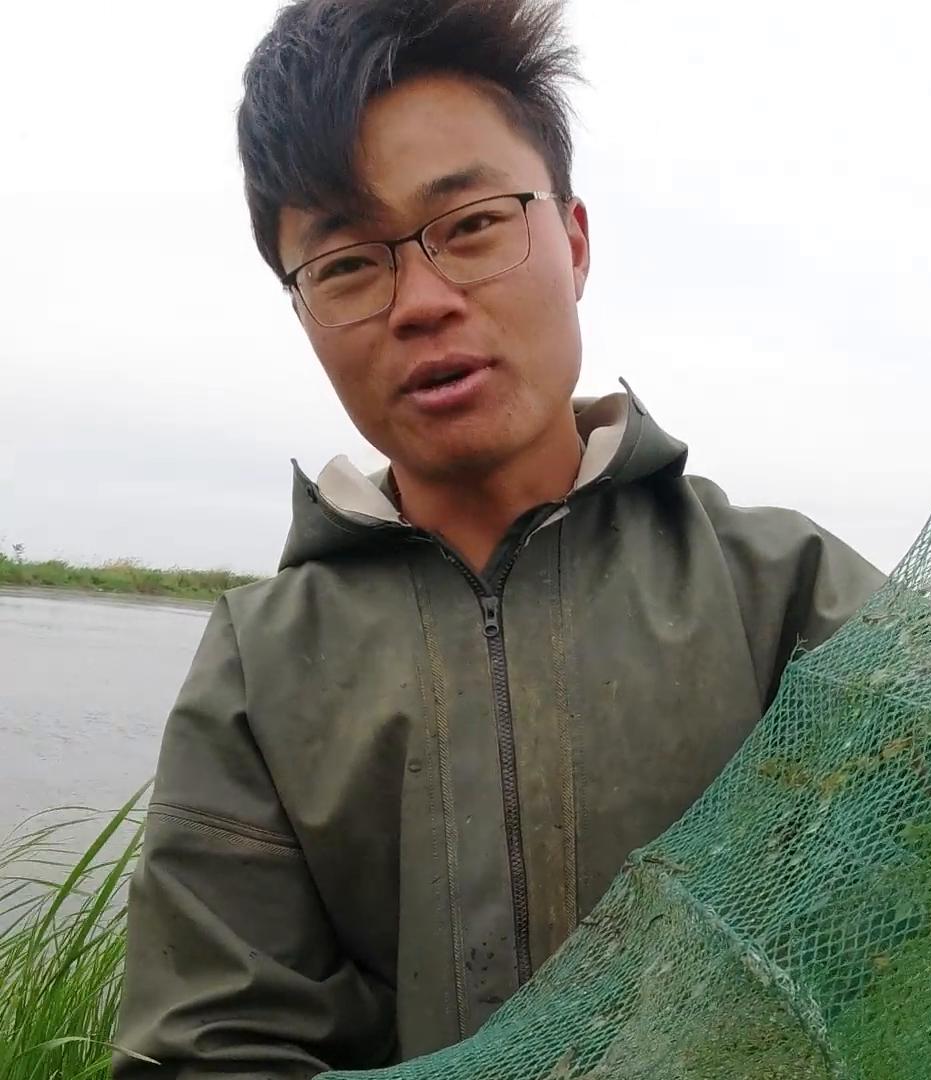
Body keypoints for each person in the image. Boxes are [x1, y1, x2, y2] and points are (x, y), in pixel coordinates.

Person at [111, 0, 885, 1076]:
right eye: (346, 265)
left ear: (572, 241)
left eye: (471, 224)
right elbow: (215, 1045)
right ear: (301, 314)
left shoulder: (790, 594)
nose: (422, 301)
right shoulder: (260, 667)